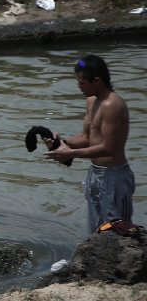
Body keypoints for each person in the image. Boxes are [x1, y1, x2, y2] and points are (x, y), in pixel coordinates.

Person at [45, 54, 134, 233]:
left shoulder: (112, 104)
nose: (79, 87)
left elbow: (108, 148)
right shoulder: (91, 101)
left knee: (117, 232)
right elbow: (87, 137)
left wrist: (69, 154)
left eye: (82, 83)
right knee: (95, 233)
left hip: (114, 178)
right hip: (95, 175)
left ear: (97, 81)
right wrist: (62, 142)